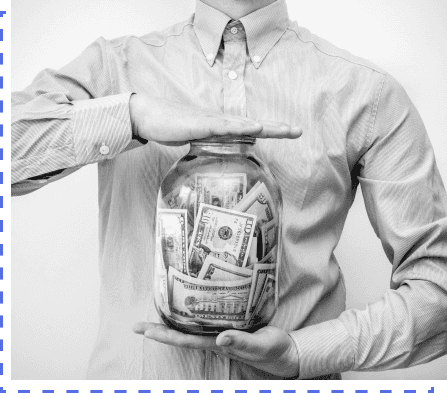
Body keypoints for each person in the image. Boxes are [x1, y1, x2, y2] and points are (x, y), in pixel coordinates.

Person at [11, 0, 447, 381]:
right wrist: (131, 116)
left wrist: (302, 353)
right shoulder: (113, 68)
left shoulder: (369, 95)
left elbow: (438, 291)